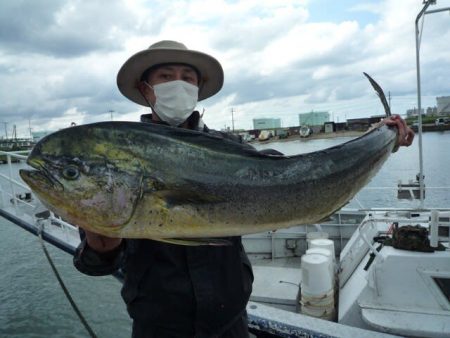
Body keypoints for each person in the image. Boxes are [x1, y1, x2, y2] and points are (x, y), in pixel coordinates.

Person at [73, 40, 414, 338]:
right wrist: (102, 248)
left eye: (187, 77)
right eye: (165, 77)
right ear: (146, 89)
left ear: (197, 88)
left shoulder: (227, 146)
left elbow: (282, 173)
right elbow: (92, 265)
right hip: (158, 326)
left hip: (230, 321)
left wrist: (380, 138)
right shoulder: (122, 158)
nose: (177, 83)